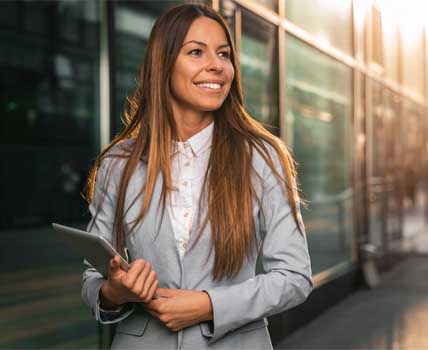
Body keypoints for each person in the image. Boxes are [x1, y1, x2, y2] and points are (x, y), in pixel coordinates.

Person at [81, 3, 312, 349]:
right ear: (164, 65)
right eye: (196, 52)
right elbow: (92, 280)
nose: (217, 66)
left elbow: (295, 278)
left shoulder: (263, 157)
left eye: (224, 54)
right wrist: (114, 291)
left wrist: (207, 306)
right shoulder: (119, 163)